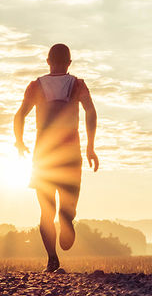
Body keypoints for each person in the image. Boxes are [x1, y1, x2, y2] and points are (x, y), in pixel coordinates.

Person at [14, 43, 99, 272]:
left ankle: (52, 259)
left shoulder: (36, 86)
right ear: (69, 63)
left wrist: (19, 142)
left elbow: (20, 115)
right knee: (68, 203)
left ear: (48, 62)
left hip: (43, 155)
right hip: (71, 153)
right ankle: (67, 218)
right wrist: (91, 147)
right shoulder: (77, 85)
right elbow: (90, 112)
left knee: (45, 211)